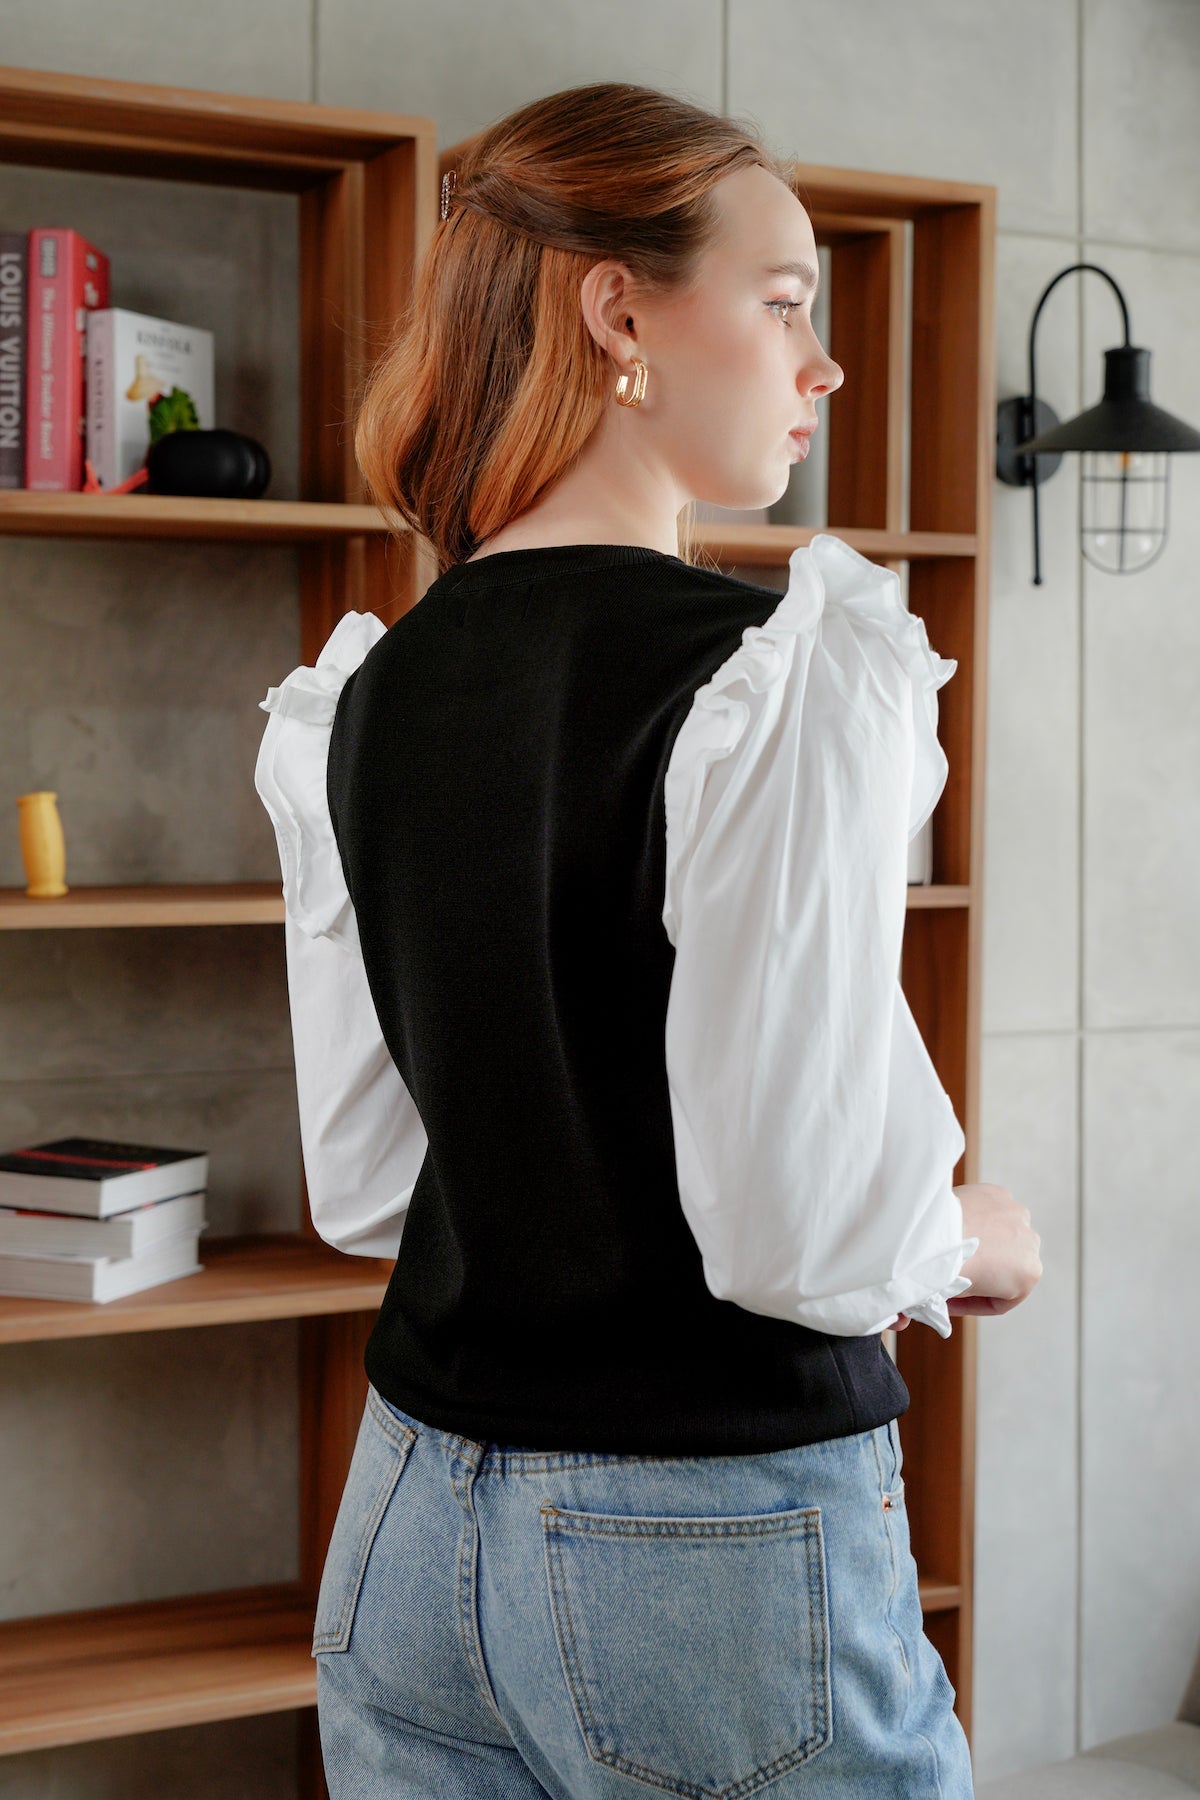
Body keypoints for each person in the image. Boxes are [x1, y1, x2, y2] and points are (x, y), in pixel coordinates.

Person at [254, 80, 1042, 1800]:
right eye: (784, 303)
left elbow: (371, 1189)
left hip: (408, 1527)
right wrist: (960, 1235)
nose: (824, 365)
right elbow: (799, 1234)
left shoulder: (364, 699)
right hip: (706, 1541)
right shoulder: (774, 681)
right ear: (619, 312)